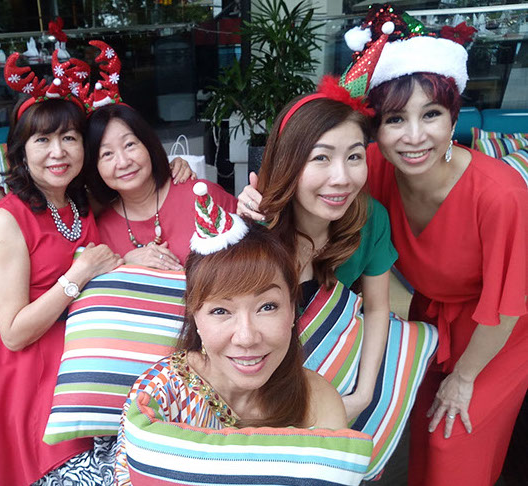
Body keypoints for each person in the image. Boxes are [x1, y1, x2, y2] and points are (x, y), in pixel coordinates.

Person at [360, 13, 528, 486]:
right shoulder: (375, 166)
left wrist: (464, 376)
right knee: (418, 429)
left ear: (454, 118)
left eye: (431, 114)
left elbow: (509, 305)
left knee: (450, 441)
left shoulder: (500, 195)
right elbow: (315, 187)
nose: (414, 137)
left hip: (503, 330)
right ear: (377, 128)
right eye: (396, 119)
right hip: (432, 320)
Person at [0, 77, 124, 483]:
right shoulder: (6, 219)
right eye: (43, 140)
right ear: (21, 151)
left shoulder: (78, 200)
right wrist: (77, 276)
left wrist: (174, 169)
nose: (58, 152)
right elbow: (13, 333)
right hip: (32, 369)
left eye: (69, 138)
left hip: (83, 356)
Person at [114, 183, 347, 485]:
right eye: (221, 311)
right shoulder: (158, 398)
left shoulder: (317, 401)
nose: (246, 337)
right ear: (195, 318)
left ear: (292, 310)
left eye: (267, 307)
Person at [236, 86, 397, 421]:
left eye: (354, 157)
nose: (342, 178)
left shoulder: (371, 220)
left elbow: (378, 308)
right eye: (321, 158)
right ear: (288, 162)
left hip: (331, 373)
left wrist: (363, 395)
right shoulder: (254, 226)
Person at [85, 96, 236, 272]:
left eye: (129, 144)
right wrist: (125, 265)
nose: (123, 162)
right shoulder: (101, 230)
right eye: (107, 154)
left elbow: (253, 250)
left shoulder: (200, 195)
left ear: (149, 145)